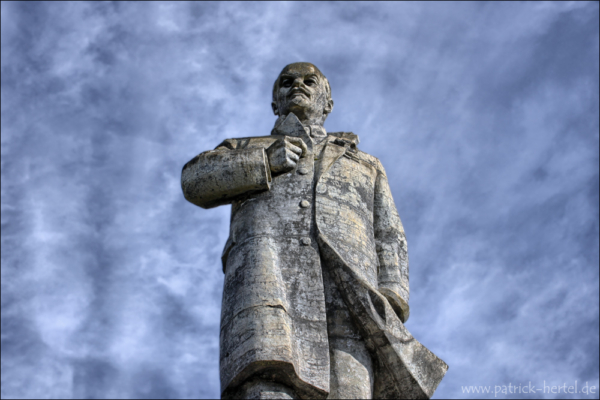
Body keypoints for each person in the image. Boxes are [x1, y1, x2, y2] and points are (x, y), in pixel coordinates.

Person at [181, 62, 446, 399]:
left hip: (351, 294)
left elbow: (388, 232)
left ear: (328, 103)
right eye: (287, 82)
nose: (298, 85)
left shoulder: (366, 163)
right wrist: (264, 161)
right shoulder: (245, 146)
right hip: (267, 280)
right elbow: (194, 180)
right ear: (275, 103)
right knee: (267, 384)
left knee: (350, 389)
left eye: (309, 81)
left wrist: (392, 294)